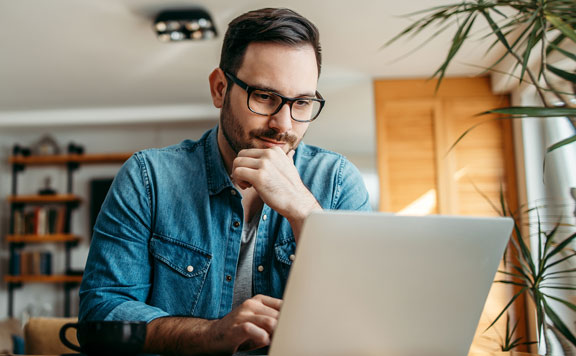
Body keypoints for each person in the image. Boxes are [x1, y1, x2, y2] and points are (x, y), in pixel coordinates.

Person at [79, 7, 371, 355]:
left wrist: (305, 214)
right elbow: (102, 315)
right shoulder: (148, 179)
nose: (285, 124)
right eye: (265, 96)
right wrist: (211, 334)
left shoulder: (338, 183)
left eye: (302, 102)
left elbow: (367, 319)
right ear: (220, 88)